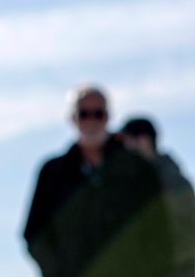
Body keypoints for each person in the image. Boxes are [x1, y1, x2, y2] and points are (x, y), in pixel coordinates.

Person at [23, 85, 173, 277]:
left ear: (108, 117)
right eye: (84, 114)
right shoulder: (53, 172)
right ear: (72, 118)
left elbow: (160, 231)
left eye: (98, 114)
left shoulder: (138, 170)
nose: (91, 121)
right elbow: (35, 233)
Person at [121, 117, 195, 277]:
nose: (126, 147)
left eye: (129, 140)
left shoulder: (174, 182)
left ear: (144, 140)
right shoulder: (126, 183)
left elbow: (189, 234)